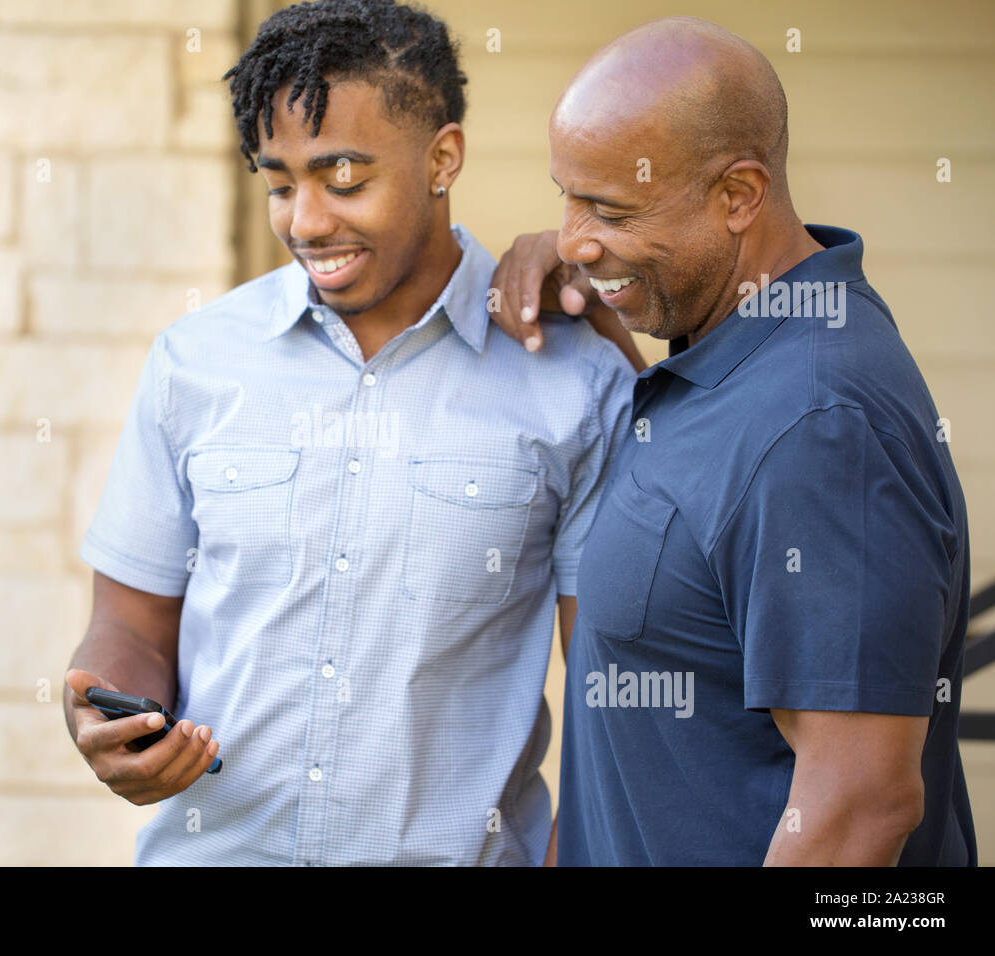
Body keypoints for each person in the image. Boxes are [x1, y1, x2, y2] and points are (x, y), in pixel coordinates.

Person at [63, 0, 635, 865]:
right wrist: (118, 717)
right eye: (281, 184)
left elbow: (611, 690)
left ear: (443, 158)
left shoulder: (572, 380)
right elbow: (131, 626)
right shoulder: (195, 361)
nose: (307, 221)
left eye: (345, 178)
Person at [491, 16, 976, 865]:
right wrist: (605, 283)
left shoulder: (820, 425)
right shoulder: (731, 354)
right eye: (567, 196)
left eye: (609, 206)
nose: (572, 238)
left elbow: (859, 808)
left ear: (739, 196)